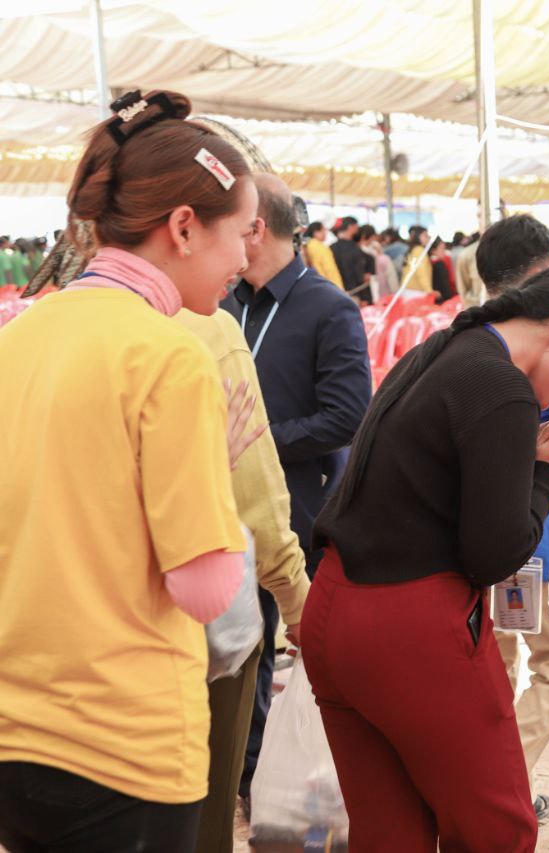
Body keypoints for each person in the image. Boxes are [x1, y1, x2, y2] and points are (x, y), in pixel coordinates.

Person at [0, 88, 257, 851]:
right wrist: (215, 476)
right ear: (184, 226)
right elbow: (205, 588)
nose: (246, 259)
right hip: (124, 744)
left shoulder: (21, 336)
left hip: (16, 730)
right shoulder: (172, 355)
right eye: (242, 232)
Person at [301, 260, 549, 851]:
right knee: (495, 830)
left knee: (388, 833)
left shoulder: (442, 350)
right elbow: (493, 556)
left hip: (334, 611)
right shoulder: (501, 386)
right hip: (413, 629)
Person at [220, 174, 372, 805]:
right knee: (242, 648)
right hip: (220, 501)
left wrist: (256, 441)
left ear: (256, 228)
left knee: (310, 644)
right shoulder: (223, 304)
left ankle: (326, 781)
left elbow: (347, 415)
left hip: (297, 504)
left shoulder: (327, 307)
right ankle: (252, 778)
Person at [174, 305, 311, 853]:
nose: (238, 265)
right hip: (189, 624)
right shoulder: (206, 329)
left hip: (46, 639)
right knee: (198, 805)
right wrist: (296, 598)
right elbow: (255, 495)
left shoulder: (28, 331)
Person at [475, 214, 549, 823]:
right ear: (542, 271)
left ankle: (484, 784)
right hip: (538, 539)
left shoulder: (462, 343)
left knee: (493, 670)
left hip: (479, 545)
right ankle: (504, 784)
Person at [331, 216, 373, 302]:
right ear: (351, 227)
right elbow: (358, 273)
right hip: (355, 292)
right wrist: (365, 297)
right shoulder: (353, 248)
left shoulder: (331, 247)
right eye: (357, 226)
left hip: (337, 291)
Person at [303, 221, 342, 287]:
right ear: (316, 232)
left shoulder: (308, 246)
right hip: (330, 285)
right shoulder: (319, 247)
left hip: (318, 284)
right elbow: (329, 269)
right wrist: (338, 287)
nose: (325, 233)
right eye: (323, 230)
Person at [401, 225, 435, 294]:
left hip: (408, 289)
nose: (428, 238)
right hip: (417, 291)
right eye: (425, 235)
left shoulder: (413, 250)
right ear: (417, 236)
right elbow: (421, 272)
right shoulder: (420, 251)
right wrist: (429, 291)